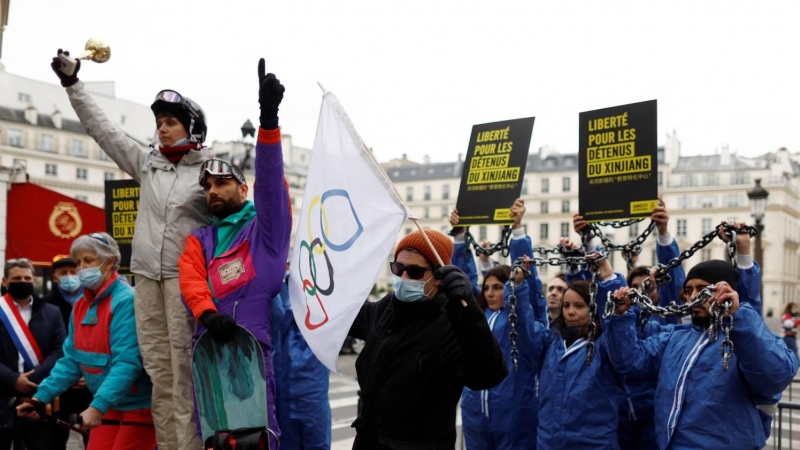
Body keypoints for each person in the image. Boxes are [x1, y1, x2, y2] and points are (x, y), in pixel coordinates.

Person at [51, 50, 212, 450]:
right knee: (160, 373)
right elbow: (105, 132)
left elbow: (238, 221)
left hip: (183, 278)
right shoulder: (148, 164)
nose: (162, 130)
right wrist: (73, 84)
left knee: (183, 373)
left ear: (192, 126)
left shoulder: (211, 170)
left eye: (171, 122)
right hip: (146, 279)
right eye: (159, 123)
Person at [178, 59, 290, 448]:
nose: (212, 190)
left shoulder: (266, 231)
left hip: (252, 351)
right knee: (215, 441)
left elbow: (272, 182)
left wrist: (269, 121)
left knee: (259, 439)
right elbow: (191, 281)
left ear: (244, 190)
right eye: (206, 185)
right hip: (208, 351)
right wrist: (208, 314)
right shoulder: (200, 241)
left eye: (222, 182)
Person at [606, 259, 798, 449]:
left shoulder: (744, 338)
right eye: (689, 291)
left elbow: (776, 376)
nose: (693, 297)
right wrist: (620, 318)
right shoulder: (675, 336)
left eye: (703, 289)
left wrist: (738, 317)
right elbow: (631, 363)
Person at [348, 229, 508, 449]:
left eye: (414, 272)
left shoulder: (454, 321)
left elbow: (487, 374)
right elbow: (340, 315)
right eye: (398, 268)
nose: (403, 277)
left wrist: (468, 310)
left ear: (438, 277)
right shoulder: (386, 307)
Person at [17, 233, 155, 450]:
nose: (81, 268)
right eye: (79, 262)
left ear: (109, 261)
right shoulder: (81, 305)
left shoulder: (126, 300)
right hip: (108, 404)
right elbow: (71, 360)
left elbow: (127, 363)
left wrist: (97, 407)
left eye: (88, 261)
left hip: (138, 407)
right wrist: (40, 397)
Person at [452, 200, 541, 449]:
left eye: (498, 288)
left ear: (510, 289)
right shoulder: (479, 315)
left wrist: (518, 230)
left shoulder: (519, 319)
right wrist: (459, 237)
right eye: (487, 287)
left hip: (514, 413)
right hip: (475, 413)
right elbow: (462, 282)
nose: (490, 293)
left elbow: (530, 288)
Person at [528, 253, 626, 449]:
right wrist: (522, 285)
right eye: (567, 306)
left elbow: (619, 320)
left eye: (579, 306)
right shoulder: (552, 342)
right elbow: (525, 321)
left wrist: (607, 277)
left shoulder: (605, 343)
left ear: (594, 309)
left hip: (594, 443)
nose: (571, 312)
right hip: (549, 442)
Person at [0, 259, 65, 450]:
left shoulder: (52, 312)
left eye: (27, 278)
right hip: (2, 393)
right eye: (17, 278)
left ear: (34, 280)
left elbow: (61, 349)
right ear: (5, 282)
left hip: (38, 394)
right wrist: (13, 379)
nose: (23, 281)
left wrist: (34, 377)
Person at [271, 266, 332, 450]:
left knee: (314, 442)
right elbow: (279, 314)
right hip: (292, 391)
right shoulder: (282, 289)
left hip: (307, 392)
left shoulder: (321, 300)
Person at [43, 256, 92, 450]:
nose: (70, 276)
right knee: (55, 440)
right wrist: (68, 376)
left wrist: (86, 374)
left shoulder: (92, 301)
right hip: (60, 385)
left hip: (91, 383)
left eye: (74, 271)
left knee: (93, 439)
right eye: (64, 273)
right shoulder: (45, 307)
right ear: (55, 277)